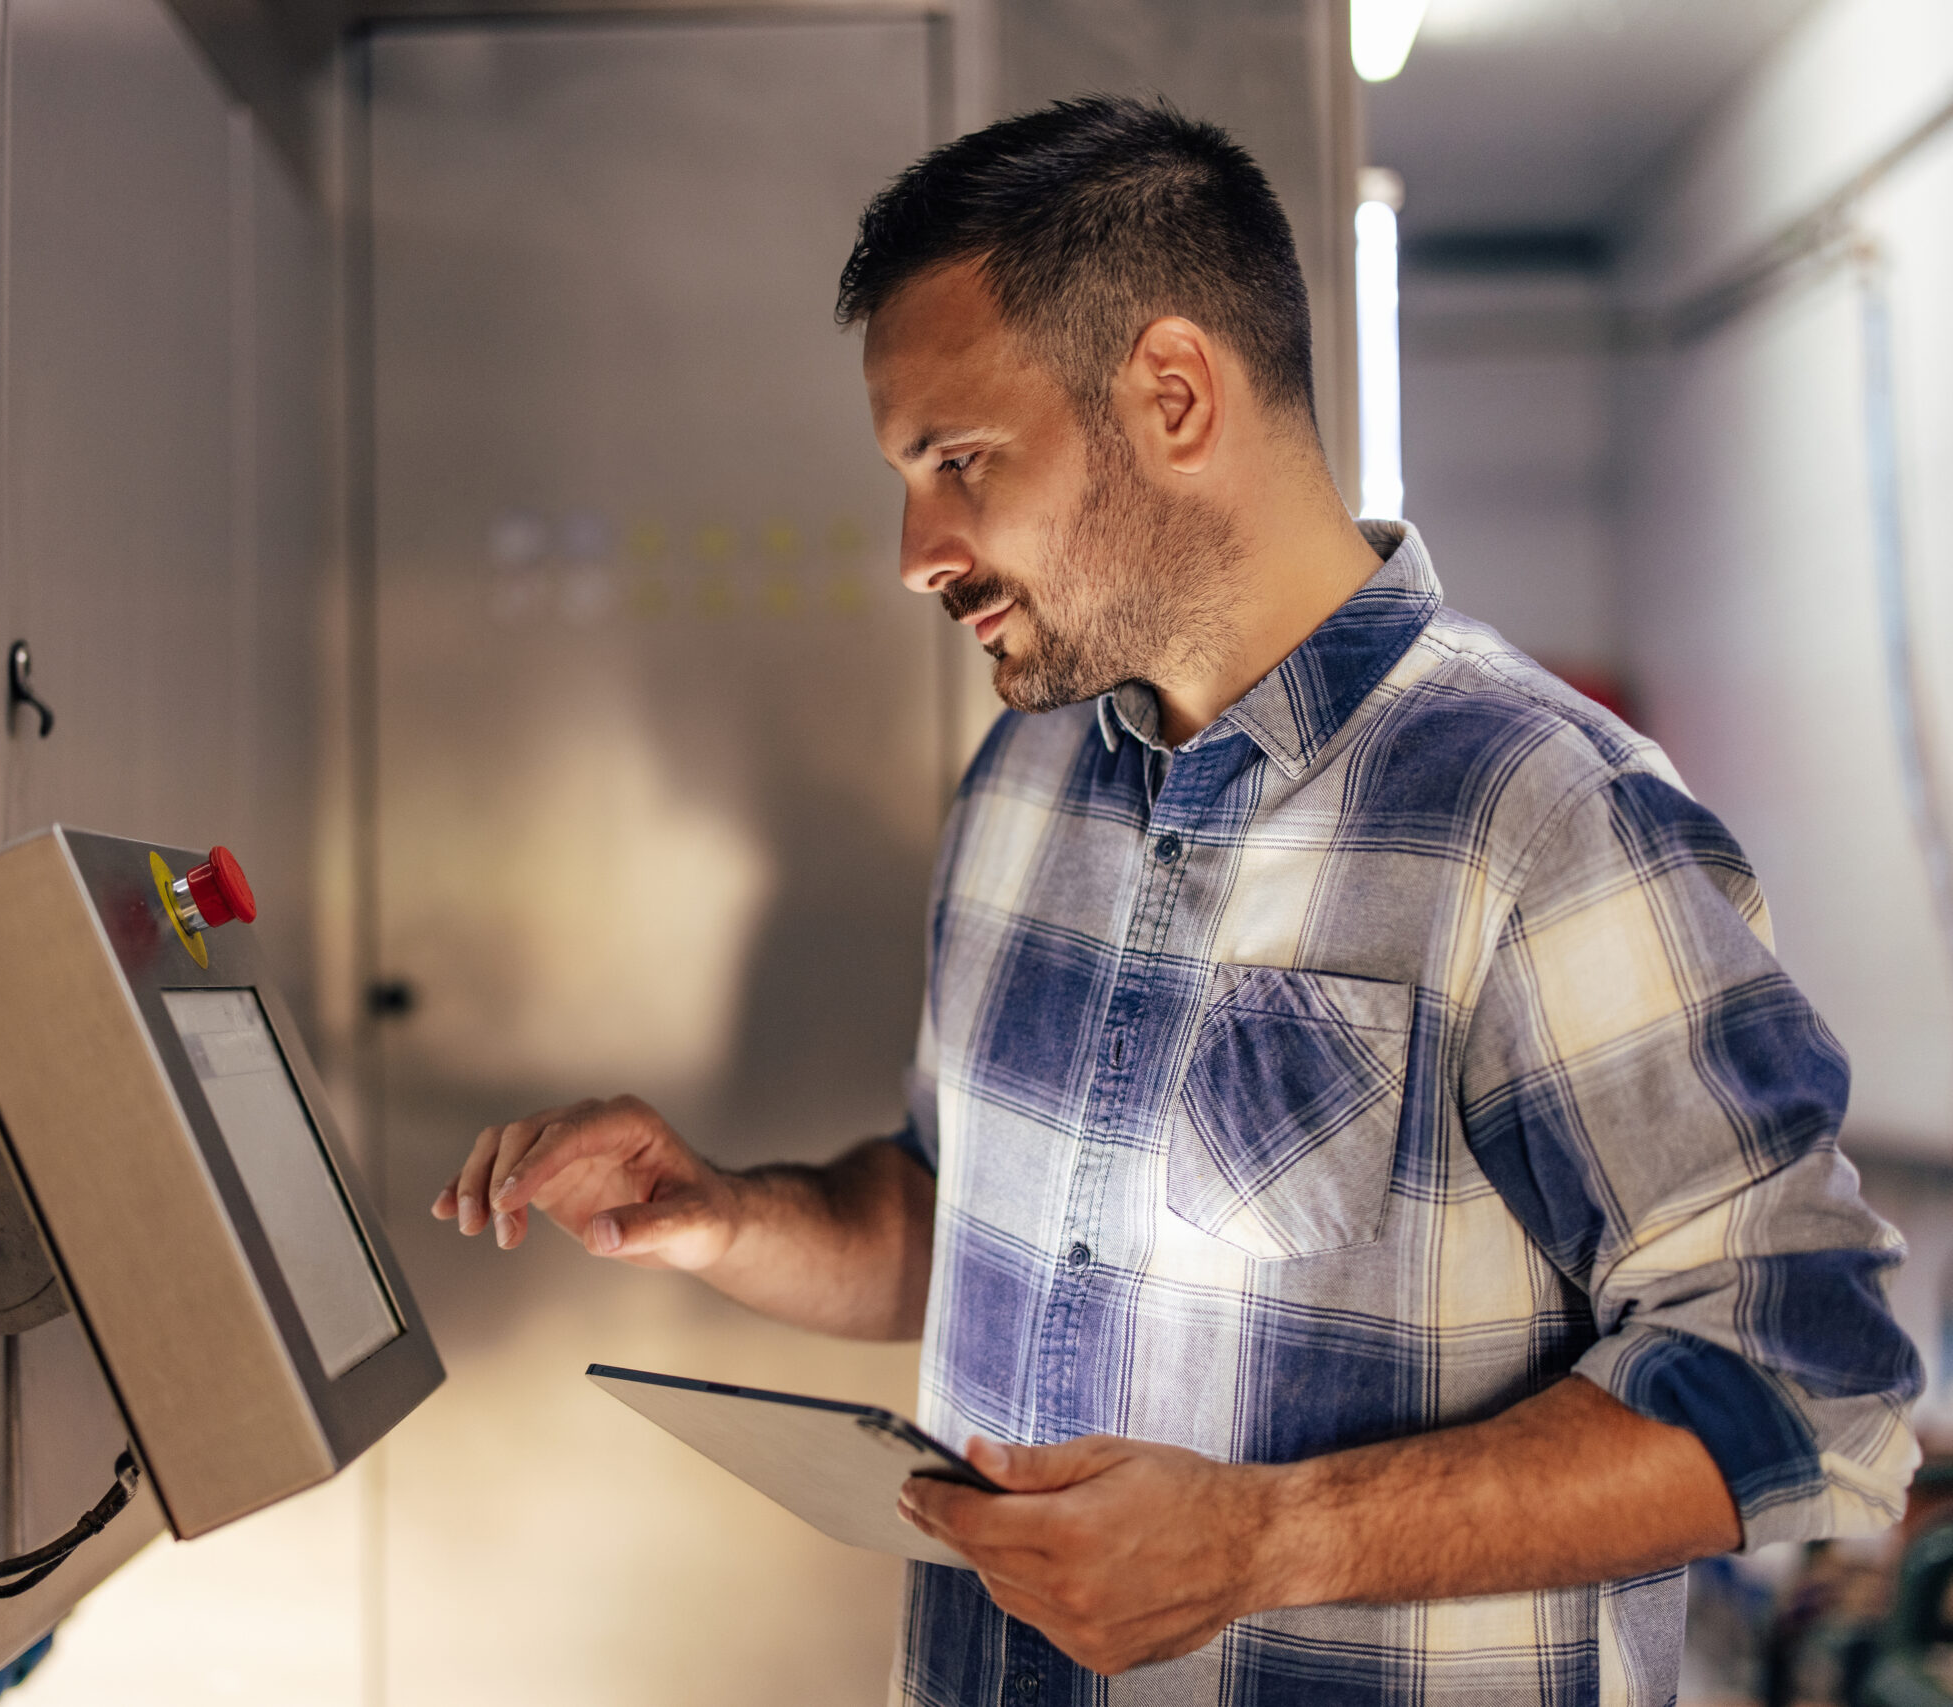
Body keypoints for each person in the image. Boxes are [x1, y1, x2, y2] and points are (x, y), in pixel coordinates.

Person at [431, 95, 1923, 1705]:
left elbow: (1804, 1386)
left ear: (1170, 394)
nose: (918, 548)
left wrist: (1272, 1540)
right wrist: (726, 1212)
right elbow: (968, 1225)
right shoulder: (1022, 789)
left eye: (960, 461)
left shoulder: (1539, 817)